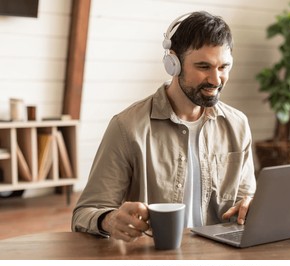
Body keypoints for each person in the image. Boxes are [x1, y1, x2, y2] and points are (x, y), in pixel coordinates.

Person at [72, 11, 256, 242]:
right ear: (173, 63)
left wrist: (249, 207)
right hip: (153, 259)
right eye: (203, 66)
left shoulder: (238, 125)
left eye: (223, 67)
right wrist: (109, 220)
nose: (216, 80)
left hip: (219, 259)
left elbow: (245, 199)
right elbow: (84, 213)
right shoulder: (127, 127)